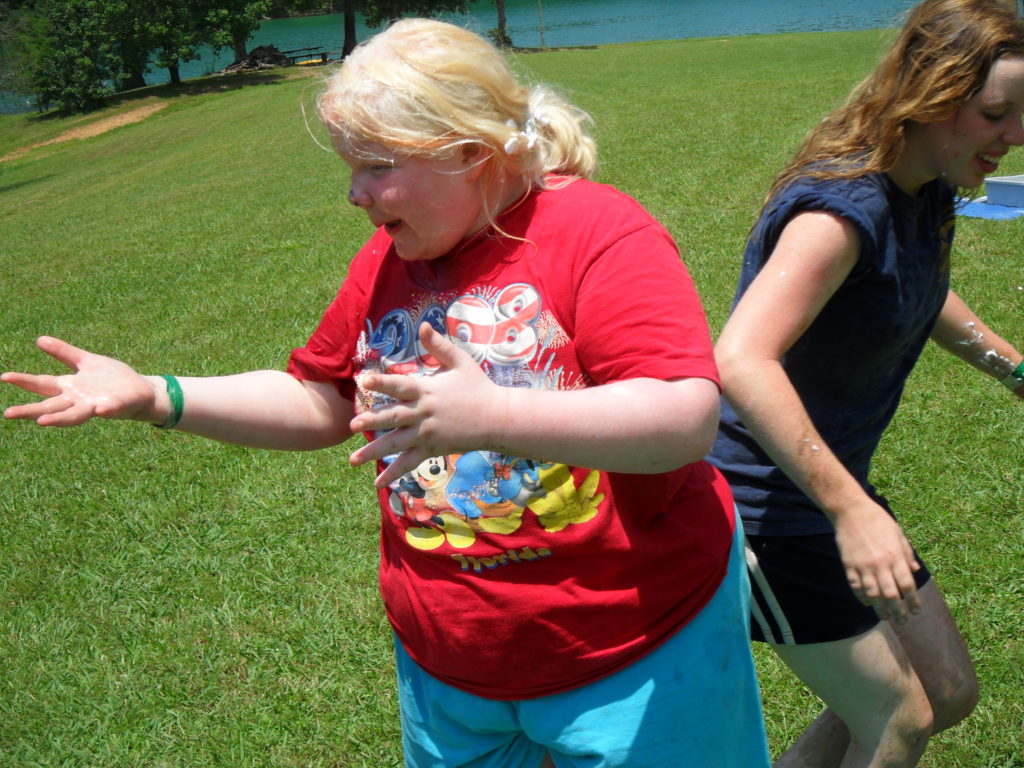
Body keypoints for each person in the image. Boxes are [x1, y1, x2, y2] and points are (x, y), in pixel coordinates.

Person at [3, 19, 770, 768]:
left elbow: (682, 416)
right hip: (452, 663)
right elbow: (321, 399)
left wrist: (496, 415)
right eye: (351, 168)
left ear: (471, 152)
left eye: (376, 166)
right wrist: (156, 394)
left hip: (635, 649)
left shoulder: (598, 232)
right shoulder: (390, 259)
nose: (355, 195)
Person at [707, 0, 1024, 766]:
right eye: (995, 114)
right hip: (764, 507)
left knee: (946, 694)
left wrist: (1012, 368)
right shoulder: (839, 214)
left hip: (823, 492)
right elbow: (741, 358)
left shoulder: (926, 186)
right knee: (900, 717)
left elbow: (916, 290)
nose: (1014, 139)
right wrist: (851, 509)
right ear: (930, 96)